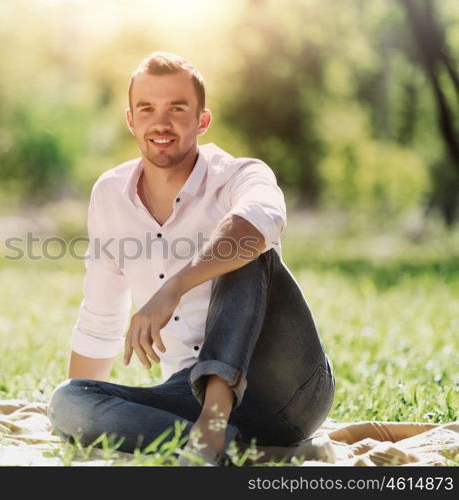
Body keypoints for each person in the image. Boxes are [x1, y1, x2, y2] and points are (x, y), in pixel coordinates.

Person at [47, 51, 335, 465]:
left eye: (176, 109)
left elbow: (260, 223)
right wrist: (79, 416)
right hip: (188, 392)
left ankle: (215, 426)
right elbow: (100, 318)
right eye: (147, 109)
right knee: (67, 402)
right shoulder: (110, 195)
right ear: (131, 120)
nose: (160, 123)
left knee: (242, 245)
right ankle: (225, 442)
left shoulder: (241, 175)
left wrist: (173, 288)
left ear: (202, 120)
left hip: (285, 386)